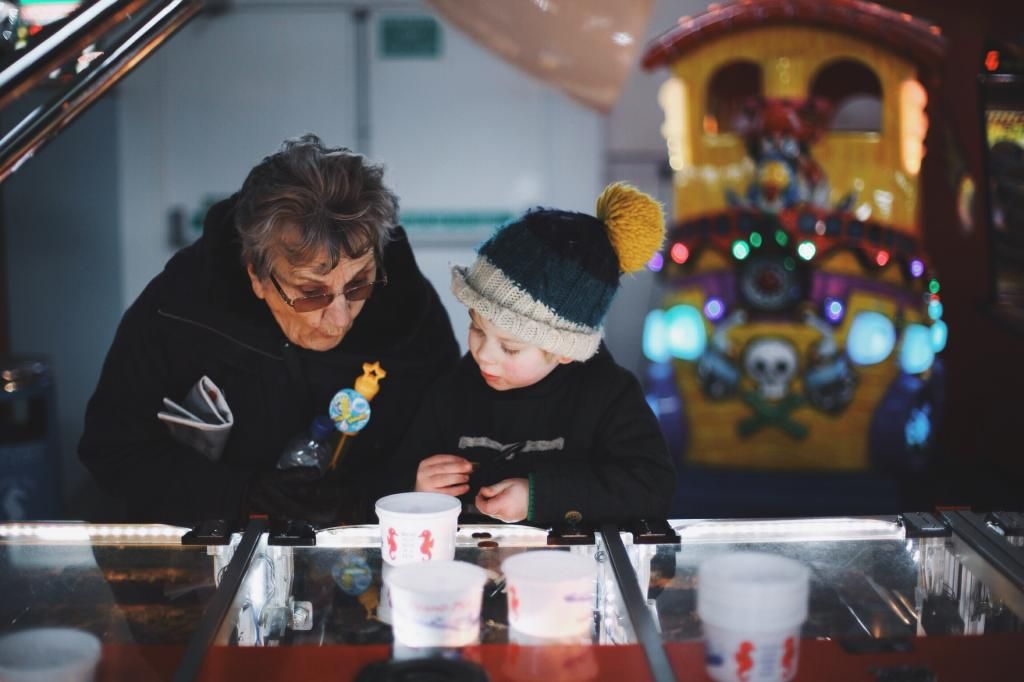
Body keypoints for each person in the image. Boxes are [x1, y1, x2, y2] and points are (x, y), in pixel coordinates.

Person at [79, 134, 460, 525]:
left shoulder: (408, 308)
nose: (342, 317)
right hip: (213, 552)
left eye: (359, 284)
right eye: (312, 294)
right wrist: (242, 494)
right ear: (257, 277)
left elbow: (449, 442)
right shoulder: (180, 309)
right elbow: (113, 451)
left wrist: (362, 499)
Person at [391, 183, 675, 525]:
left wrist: (539, 499)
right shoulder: (450, 391)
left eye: (510, 347)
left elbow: (652, 488)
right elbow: (390, 475)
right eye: (477, 329)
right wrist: (416, 487)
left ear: (564, 351)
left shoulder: (607, 395)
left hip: (570, 571)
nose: (484, 355)